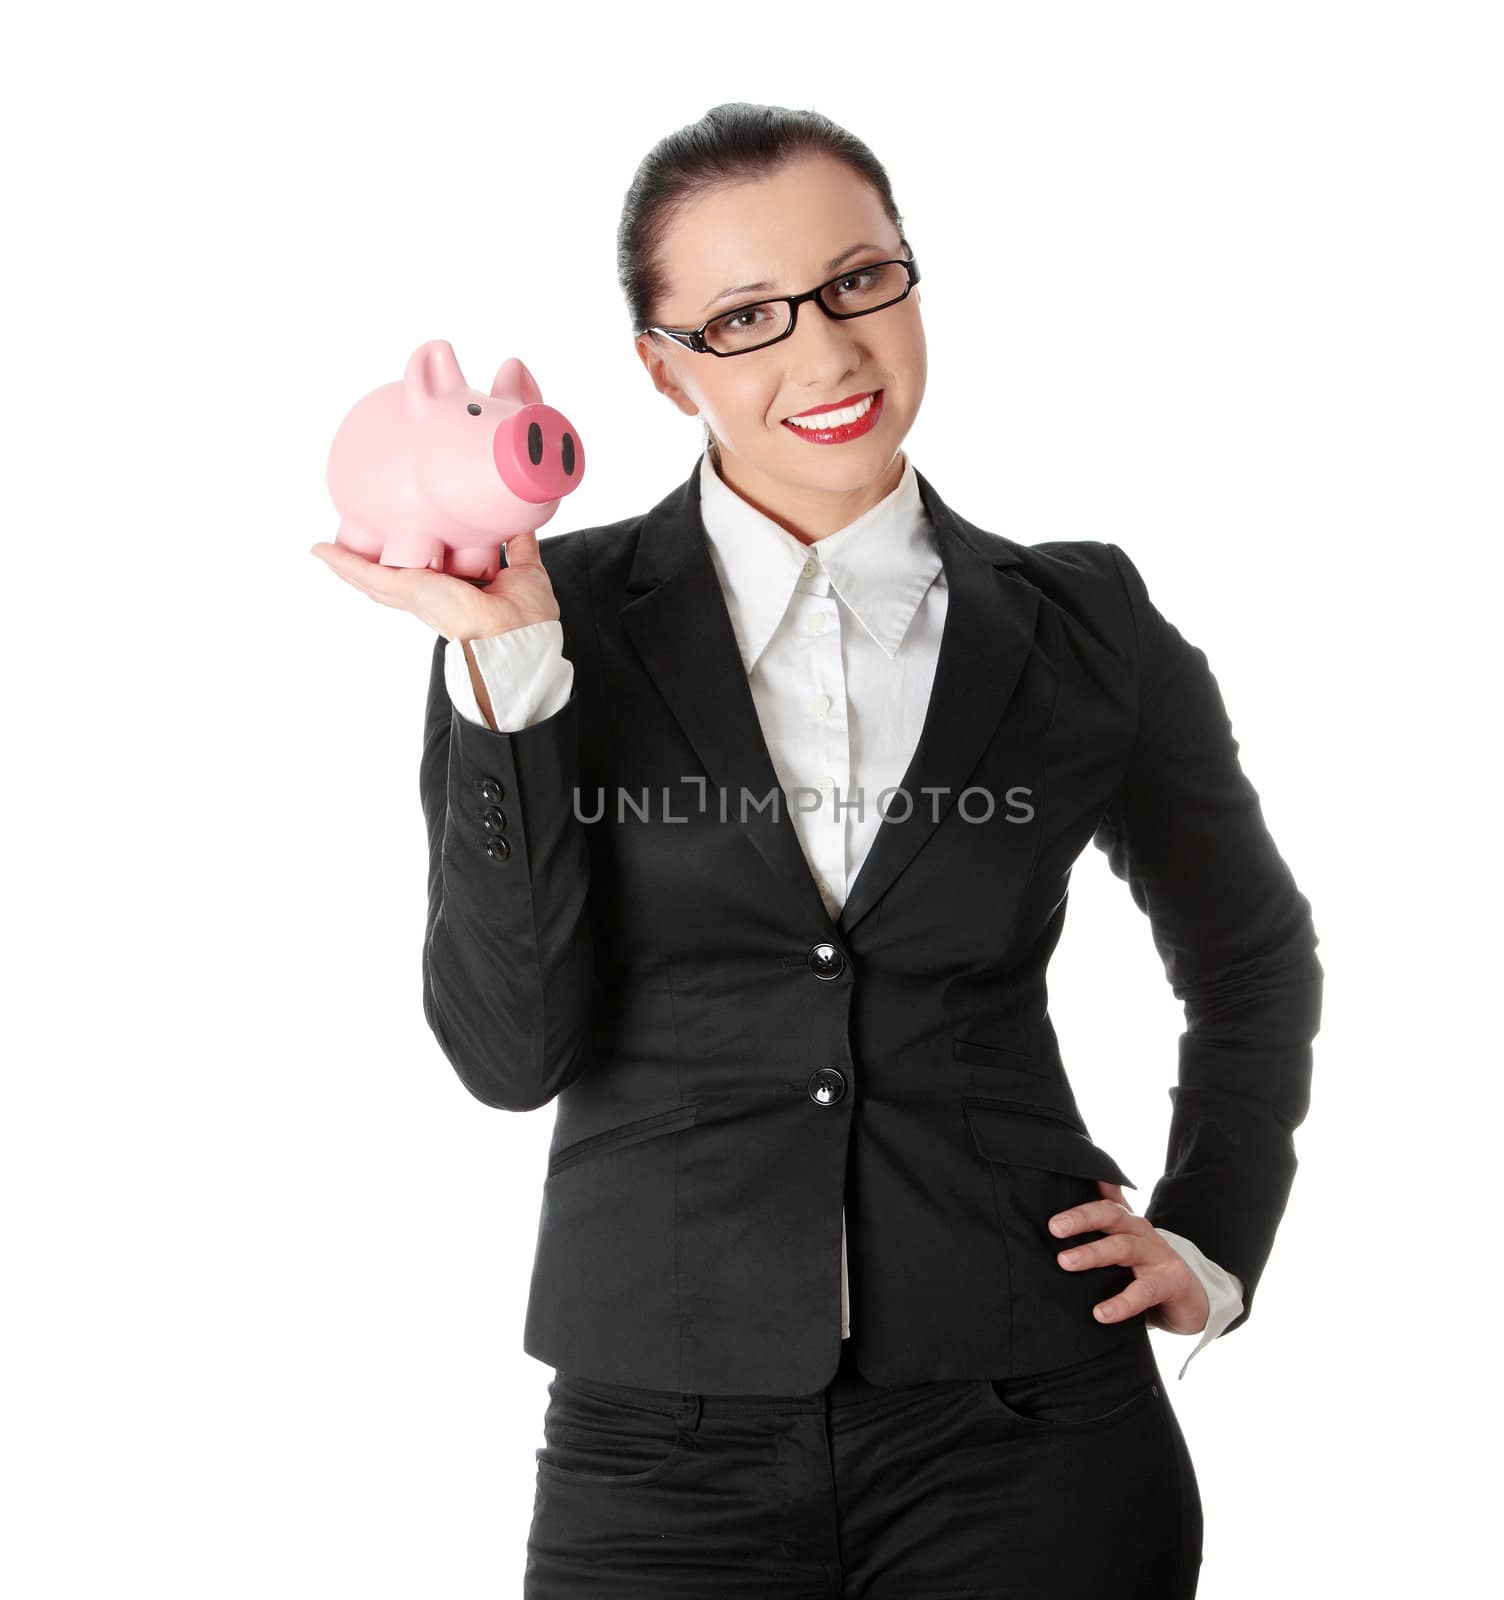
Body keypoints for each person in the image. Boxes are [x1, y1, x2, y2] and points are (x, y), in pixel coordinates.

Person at [313, 102, 1322, 1599]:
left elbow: (1250, 955)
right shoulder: (550, 619)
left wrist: (1214, 1236)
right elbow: (509, 1054)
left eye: (861, 282)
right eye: (746, 317)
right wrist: (511, 691)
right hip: (657, 1445)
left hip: (1030, 1423)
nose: (828, 354)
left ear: (911, 279)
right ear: (664, 367)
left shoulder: (1085, 622)